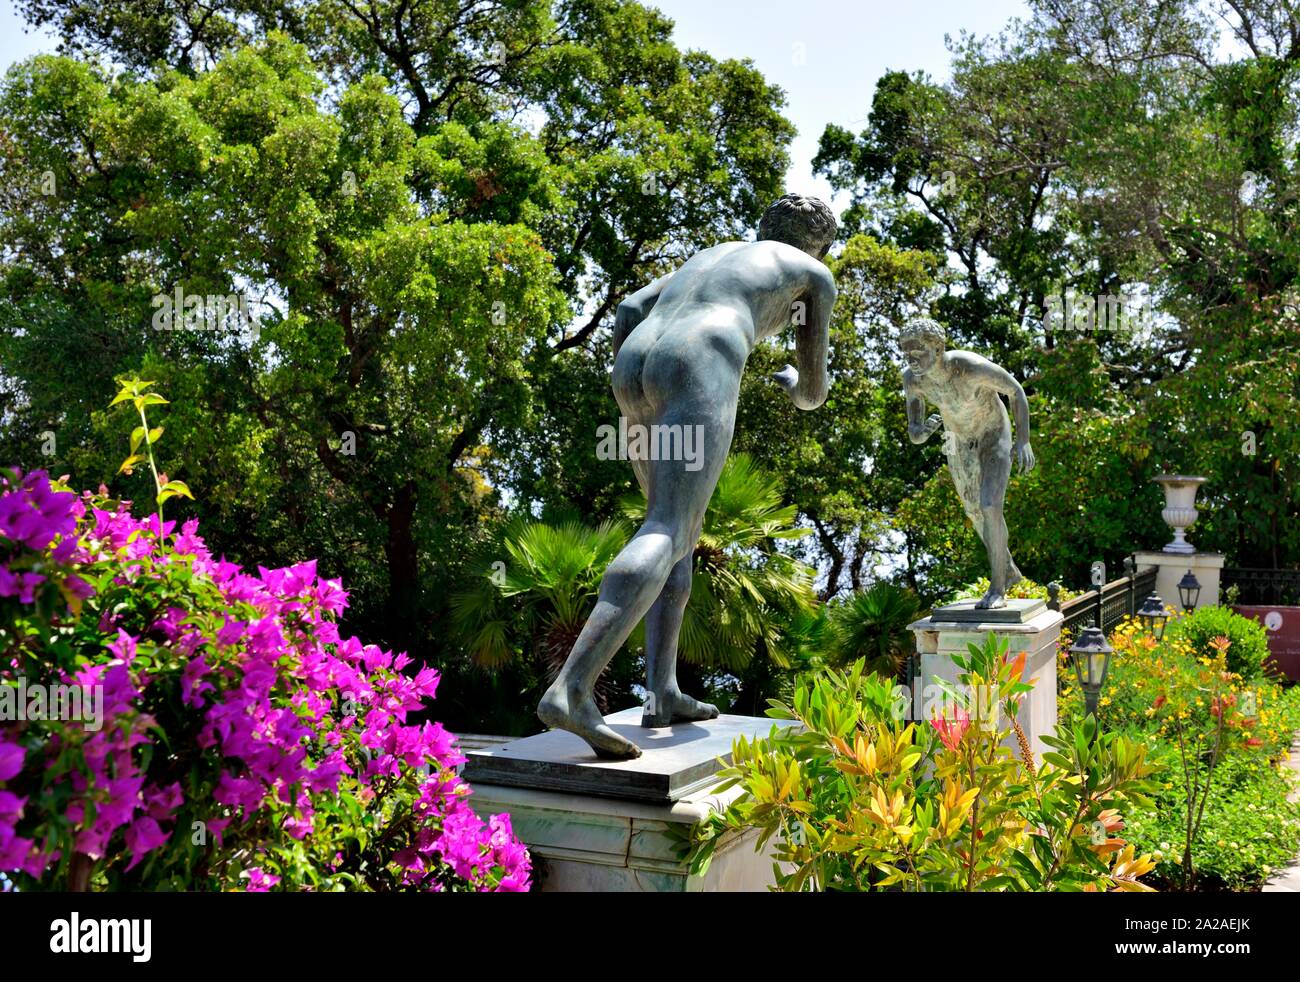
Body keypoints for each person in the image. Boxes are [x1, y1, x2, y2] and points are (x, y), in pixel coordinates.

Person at [538, 194, 838, 758]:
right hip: (702, 357)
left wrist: (635, 392)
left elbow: (629, 308)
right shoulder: (812, 272)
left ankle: (662, 690)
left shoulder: (714, 255)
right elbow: (813, 392)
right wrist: (790, 385)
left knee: (677, 537)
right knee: (669, 529)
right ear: (818, 240)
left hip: (635, 363)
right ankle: (572, 689)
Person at [900, 318, 1035, 609]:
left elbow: (1016, 391)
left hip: (993, 434)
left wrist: (1023, 440)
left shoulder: (969, 367)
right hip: (957, 441)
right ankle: (1007, 569)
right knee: (975, 512)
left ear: (937, 348)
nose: (911, 360)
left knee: (990, 505)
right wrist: (920, 432)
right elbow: (915, 430)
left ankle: (997, 588)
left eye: (918, 353)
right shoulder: (913, 380)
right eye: (906, 355)